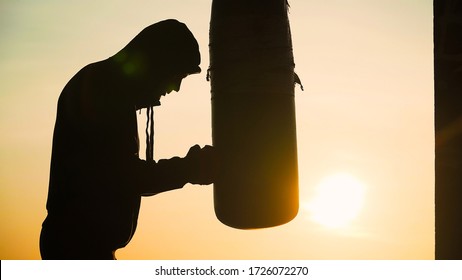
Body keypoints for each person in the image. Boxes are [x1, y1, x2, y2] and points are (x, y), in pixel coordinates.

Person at [40, 19, 215, 259]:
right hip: (78, 248)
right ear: (157, 64)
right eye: (177, 76)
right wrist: (189, 168)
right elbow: (125, 176)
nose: (175, 88)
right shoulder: (102, 90)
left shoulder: (108, 88)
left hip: (86, 246)